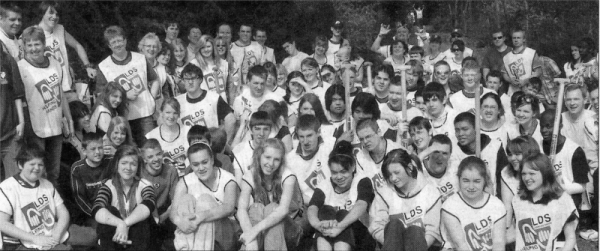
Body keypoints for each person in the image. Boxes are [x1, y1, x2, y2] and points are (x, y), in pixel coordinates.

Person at [18, 26, 73, 186]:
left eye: (37, 44)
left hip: (55, 127)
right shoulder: (21, 68)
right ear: (24, 47)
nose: (34, 49)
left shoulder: (55, 63)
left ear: (44, 44)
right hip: (36, 129)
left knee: (54, 172)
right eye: (29, 45)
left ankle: (54, 205)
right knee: (38, 173)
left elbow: (61, 93)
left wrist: (68, 118)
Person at [95, 25, 159, 146]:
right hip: (123, 118)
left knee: (150, 148)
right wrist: (123, 95)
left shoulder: (140, 58)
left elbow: (155, 80)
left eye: (119, 40)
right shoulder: (104, 67)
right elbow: (101, 95)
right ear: (109, 45)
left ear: (125, 40)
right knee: (130, 153)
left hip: (146, 115)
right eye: (113, 42)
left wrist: (152, 98)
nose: (117, 44)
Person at [308, 140, 375, 251]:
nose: (339, 177)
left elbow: (361, 205)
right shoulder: (325, 184)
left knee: (343, 213)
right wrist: (317, 225)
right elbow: (312, 207)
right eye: (334, 172)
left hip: (360, 239)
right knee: (325, 210)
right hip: (330, 237)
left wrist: (340, 226)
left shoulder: (362, 180)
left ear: (353, 167)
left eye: (343, 171)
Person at [237, 138, 304, 250]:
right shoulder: (250, 175)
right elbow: (241, 209)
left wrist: (254, 231)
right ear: (259, 156)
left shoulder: (288, 175)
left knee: (273, 208)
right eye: (267, 157)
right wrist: (251, 239)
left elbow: (282, 210)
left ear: (281, 161)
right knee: (255, 208)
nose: (271, 164)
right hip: (262, 231)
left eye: (276, 159)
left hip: (290, 229)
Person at [170, 142, 239, 250]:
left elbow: (228, 208)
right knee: (186, 199)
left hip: (224, 234)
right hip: (194, 234)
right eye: (196, 164)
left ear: (212, 160)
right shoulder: (185, 181)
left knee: (204, 200)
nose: (201, 168)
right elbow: (173, 211)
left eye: (204, 162)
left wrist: (200, 217)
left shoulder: (228, 179)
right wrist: (180, 222)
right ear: (191, 165)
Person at [0, 146, 72, 250]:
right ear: (20, 165)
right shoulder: (7, 187)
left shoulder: (46, 184)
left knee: (91, 236)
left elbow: (63, 213)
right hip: (23, 241)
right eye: (32, 164)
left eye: (40, 165)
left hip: (51, 232)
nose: (37, 168)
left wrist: (56, 236)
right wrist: (35, 239)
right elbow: (2, 224)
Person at [369, 148, 442, 250]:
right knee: (394, 225)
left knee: (415, 231)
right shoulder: (384, 192)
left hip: (421, 246)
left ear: (409, 167)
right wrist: (397, 244)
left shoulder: (430, 192)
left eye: (397, 172)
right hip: (392, 246)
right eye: (389, 175)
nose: (393, 178)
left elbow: (432, 231)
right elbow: (376, 227)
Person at [540, 109, 594, 236]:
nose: (544, 130)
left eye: (548, 126)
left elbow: (582, 186)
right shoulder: (538, 146)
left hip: (569, 199)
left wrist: (561, 187)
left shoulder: (574, 150)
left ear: (560, 126)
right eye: (542, 126)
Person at [92, 145, 156, 250]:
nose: (128, 168)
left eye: (133, 164)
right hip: (115, 235)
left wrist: (125, 224)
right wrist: (119, 224)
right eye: (124, 163)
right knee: (109, 211)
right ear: (117, 164)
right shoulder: (108, 185)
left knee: (142, 216)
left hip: (138, 237)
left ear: (138, 166)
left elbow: (149, 204)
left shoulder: (145, 184)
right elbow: (97, 209)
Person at [512, 153, 579, 251]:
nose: (526, 178)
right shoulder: (518, 200)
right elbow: (515, 234)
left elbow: (571, 238)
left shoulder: (562, 200)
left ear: (545, 174)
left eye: (532, 173)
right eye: (523, 174)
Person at [441, 156, 506, 251]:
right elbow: (461, 245)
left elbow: (499, 243)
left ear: (484, 181)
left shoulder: (496, 204)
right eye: (466, 181)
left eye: (477, 181)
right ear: (459, 179)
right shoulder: (450, 206)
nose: (471, 186)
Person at [36, 1, 96, 95]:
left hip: (67, 87)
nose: (55, 17)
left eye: (57, 14)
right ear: (42, 14)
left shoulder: (60, 29)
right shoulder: (34, 33)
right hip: (50, 91)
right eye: (51, 13)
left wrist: (88, 67)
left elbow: (77, 45)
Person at [451, 112, 509, 196]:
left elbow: (503, 179)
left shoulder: (494, 147)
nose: (460, 134)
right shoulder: (454, 152)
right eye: (457, 130)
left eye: (465, 129)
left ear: (476, 128)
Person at [175, 63, 236, 143]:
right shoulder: (177, 102)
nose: (190, 82)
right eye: (186, 79)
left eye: (193, 78)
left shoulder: (213, 98)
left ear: (200, 80)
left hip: (211, 147)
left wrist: (225, 145)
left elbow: (231, 119)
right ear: (183, 81)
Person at [69, 132, 110, 247]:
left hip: (112, 208)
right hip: (91, 213)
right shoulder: (77, 169)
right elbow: (79, 198)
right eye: (93, 149)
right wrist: (97, 213)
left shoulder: (110, 161)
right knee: (101, 235)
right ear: (84, 151)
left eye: (100, 148)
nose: (97, 152)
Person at [287, 114, 335, 205]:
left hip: (334, 202)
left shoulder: (331, 145)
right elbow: (298, 196)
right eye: (301, 136)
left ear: (318, 132)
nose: (305, 141)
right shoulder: (290, 159)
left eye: (309, 136)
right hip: (309, 206)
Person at [140, 139, 178, 250]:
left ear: (162, 153)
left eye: (158, 154)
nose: (156, 159)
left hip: (165, 214)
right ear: (144, 159)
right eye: (150, 157)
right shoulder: (140, 172)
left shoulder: (171, 171)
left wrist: (163, 217)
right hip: (147, 215)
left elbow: (175, 201)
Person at [501, 135, 540, 246]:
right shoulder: (506, 172)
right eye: (510, 154)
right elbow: (507, 205)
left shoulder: (541, 170)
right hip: (520, 222)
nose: (513, 158)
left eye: (517, 154)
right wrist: (507, 229)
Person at [145, 98, 190, 176]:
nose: (171, 116)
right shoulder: (150, 136)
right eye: (168, 112)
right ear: (161, 113)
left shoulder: (187, 130)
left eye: (175, 113)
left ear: (179, 115)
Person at [354, 118, 402, 191]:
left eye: (368, 136)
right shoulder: (361, 156)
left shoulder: (396, 150)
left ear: (379, 132)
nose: (365, 141)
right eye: (361, 139)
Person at [0, 39, 24, 182]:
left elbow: (17, 94)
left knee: (15, 181)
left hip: (9, 133)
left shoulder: (7, 60)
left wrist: (21, 121)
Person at [561, 83, 598, 169]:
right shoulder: (560, 119)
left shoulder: (593, 119)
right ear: (565, 102)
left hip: (592, 167)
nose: (572, 103)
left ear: (585, 100)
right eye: (569, 100)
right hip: (569, 167)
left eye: (576, 99)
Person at [232, 111, 273, 184]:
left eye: (265, 129)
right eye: (257, 129)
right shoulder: (240, 149)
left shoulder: (275, 150)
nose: (261, 133)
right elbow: (238, 182)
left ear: (270, 131)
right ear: (250, 130)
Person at [419, 133, 460, 203]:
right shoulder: (420, 171)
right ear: (428, 153)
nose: (440, 157)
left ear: (450, 155)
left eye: (444, 153)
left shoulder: (455, 165)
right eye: (436, 152)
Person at [502, 28, 542, 95]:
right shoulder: (507, 57)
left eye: (518, 38)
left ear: (524, 39)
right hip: (513, 91)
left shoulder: (531, 53)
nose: (516, 40)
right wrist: (510, 80)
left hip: (529, 89)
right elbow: (504, 73)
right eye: (514, 38)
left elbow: (538, 71)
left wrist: (526, 81)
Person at [190, 35, 229, 102]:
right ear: (199, 49)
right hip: (204, 102)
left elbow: (228, 86)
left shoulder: (223, 63)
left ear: (213, 47)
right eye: (203, 47)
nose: (206, 50)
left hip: (222, 101)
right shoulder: (194, 64)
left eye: (208, 46)